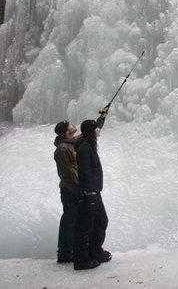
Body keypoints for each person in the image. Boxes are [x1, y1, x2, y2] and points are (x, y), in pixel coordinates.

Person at [73, 107, 110, 270]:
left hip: (94, 192)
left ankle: (95, 251)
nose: (97, 133)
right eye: (95, 131)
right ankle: (82, 260)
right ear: (90, 132)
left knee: (99, 221)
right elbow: (85, 173)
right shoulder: (84, 149)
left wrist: (102, 117)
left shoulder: (85, 141)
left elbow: (97, 128)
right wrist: (91, 193)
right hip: (89, 193)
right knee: (87, 226)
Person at [53, 120, 80, 263]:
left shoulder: (72, 143)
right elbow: (68, 173)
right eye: (69, 124)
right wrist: (79, 188)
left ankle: (70, 250)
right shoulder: (63, 149)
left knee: (73, 220)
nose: (72, 125)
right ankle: (64, 253)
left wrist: (101, 119)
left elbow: (89, 134)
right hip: (70, 190)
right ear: (66, 131)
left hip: (72, 188)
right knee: (69, 220)